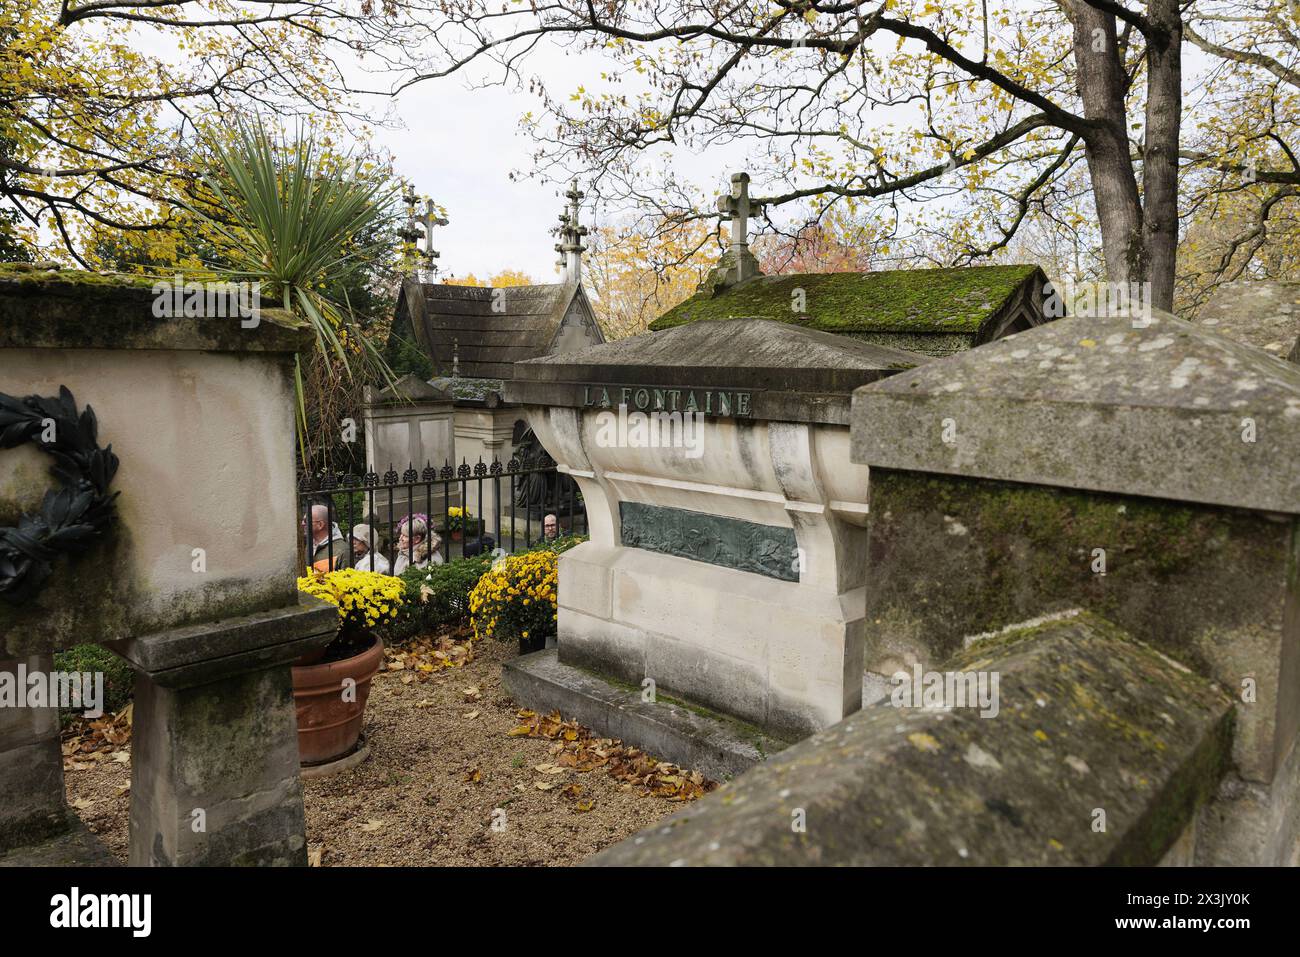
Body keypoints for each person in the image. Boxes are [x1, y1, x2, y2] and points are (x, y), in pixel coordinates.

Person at [306, 504, 352, 571]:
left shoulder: (342, 550)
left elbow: (347, 579)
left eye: (306, 521)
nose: (302, 523)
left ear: (320, 525)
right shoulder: (308, 547)